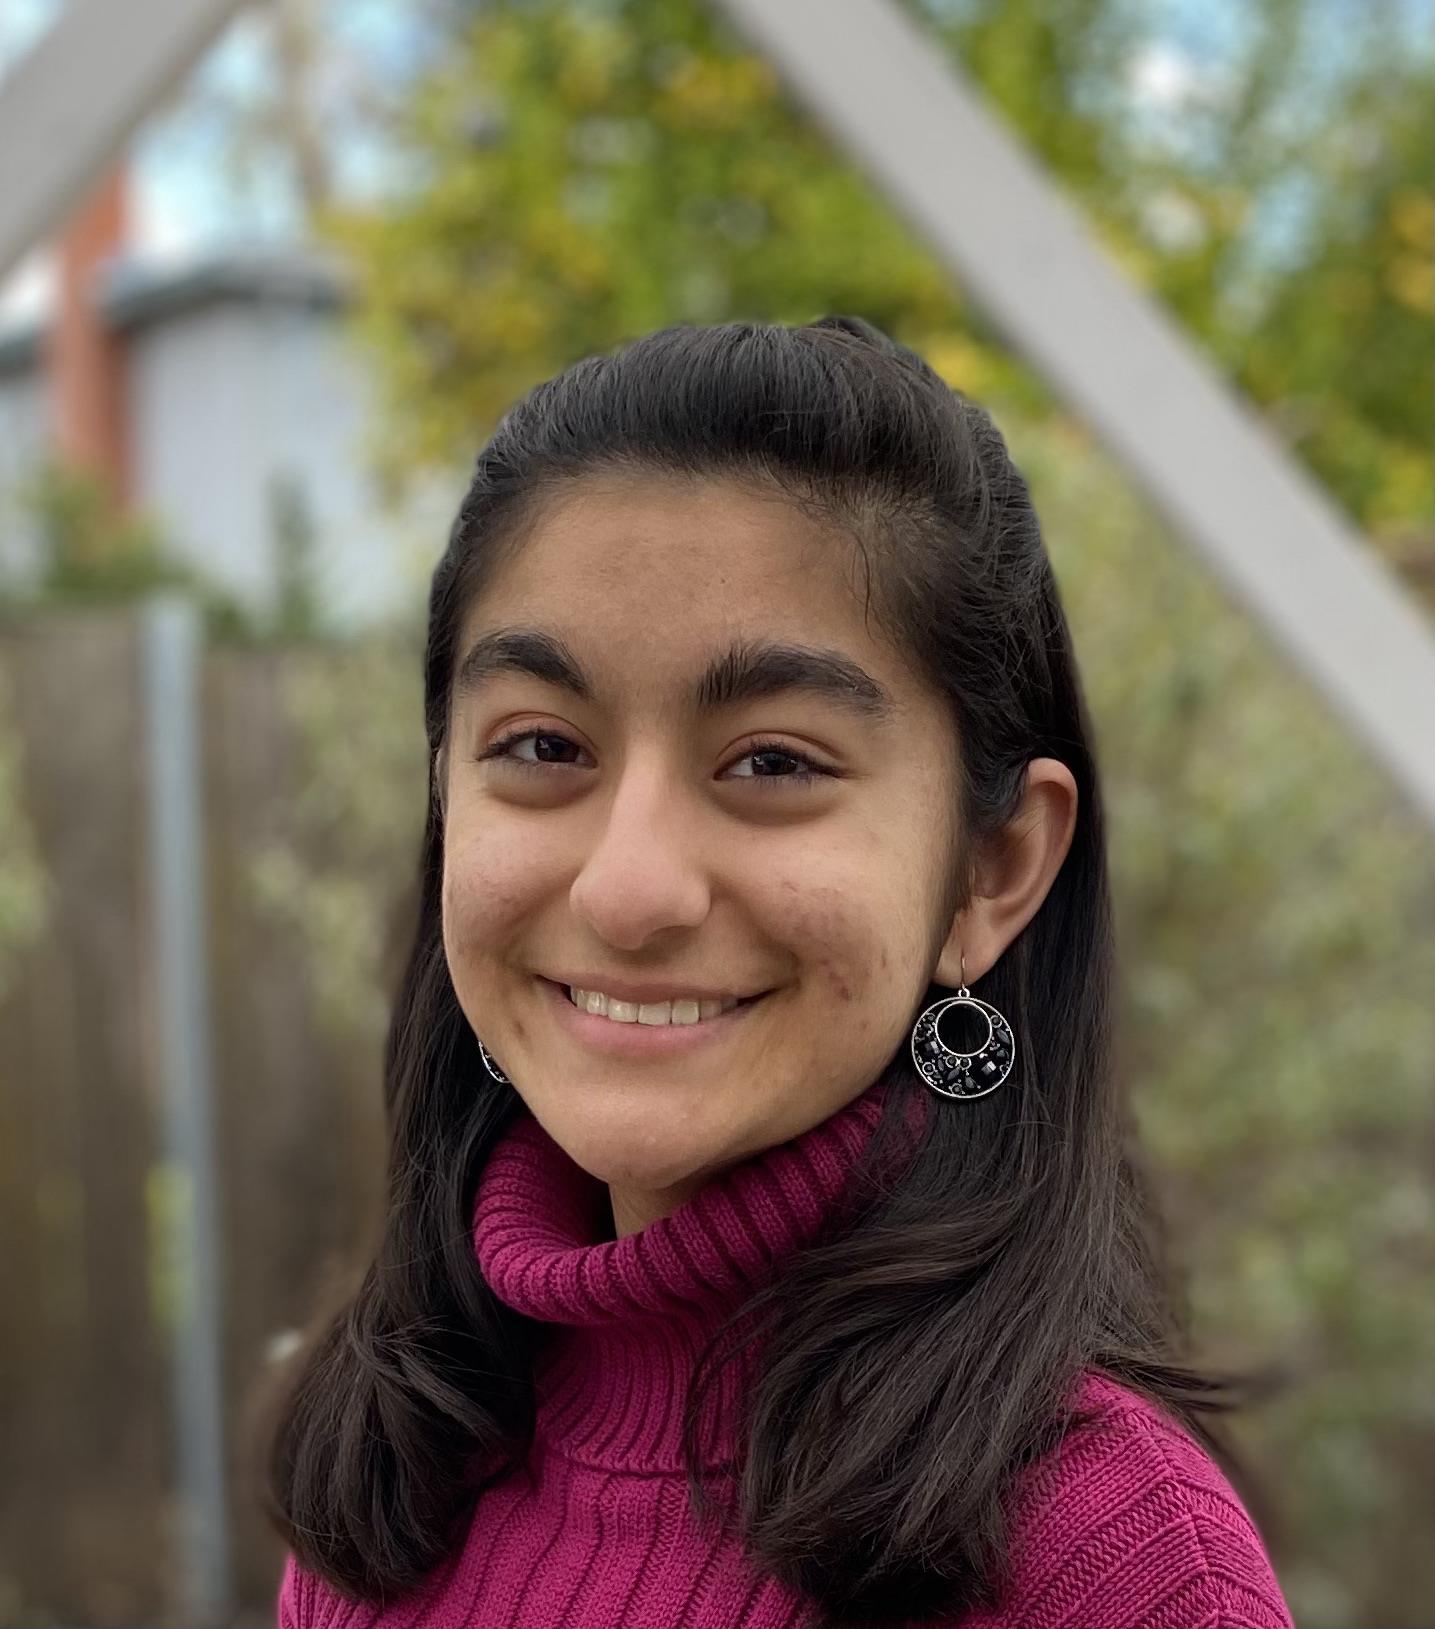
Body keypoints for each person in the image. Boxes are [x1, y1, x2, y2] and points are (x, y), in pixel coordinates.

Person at [263, 316, 1295, 1629]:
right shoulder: (392, 1491)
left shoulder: (1106, 1556)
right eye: (540, 744)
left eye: (772, 763)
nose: (628, 890)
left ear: (992, 868)